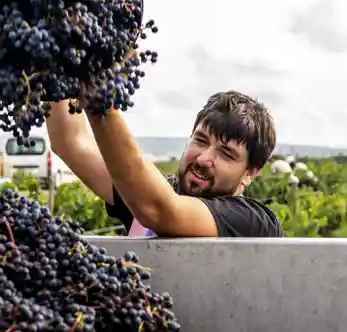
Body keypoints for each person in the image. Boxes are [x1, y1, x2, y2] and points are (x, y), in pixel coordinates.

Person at [45, 90, 283, 238]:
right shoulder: (146, 192)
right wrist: (58, 65)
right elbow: (71, 142)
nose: (203, 159)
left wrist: (96, 90)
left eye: (226, 154)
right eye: (200, 141)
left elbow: (159, 211)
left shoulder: (255, 223)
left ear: (250, 173)